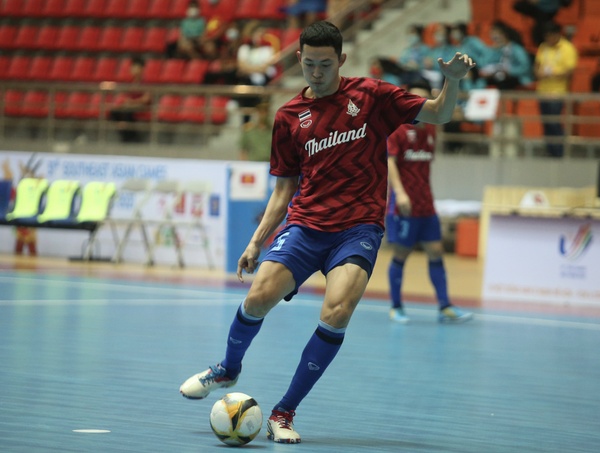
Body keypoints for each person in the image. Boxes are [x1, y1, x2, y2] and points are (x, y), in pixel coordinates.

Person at [179, 20, 474, 444]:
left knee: (336, 312)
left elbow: (439, 113)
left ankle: (283, 412)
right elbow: (283, 191)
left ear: (341, 60)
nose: (316, 72)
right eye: (309, 63)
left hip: (358, 228)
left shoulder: (372, 96)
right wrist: (256, 241)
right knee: (259, 296)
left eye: (325, 64)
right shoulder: (287, 118)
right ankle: (228, 367)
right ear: (299, 58)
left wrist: (452, 82)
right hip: (305, 224)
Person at [385, 79, 474, 324]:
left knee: (436, 251)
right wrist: (400, 194)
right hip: (404, 204)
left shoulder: (431, 130)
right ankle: (396, 306)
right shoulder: (399, 130)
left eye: (424, 98)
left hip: (426, 204)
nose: (418, 103)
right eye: (414, 98)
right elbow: (390, 162)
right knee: (401, 253)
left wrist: (452, 81)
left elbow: (449, 109)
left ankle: (444, 305)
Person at [534, 21, 577, 158]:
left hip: (557, 92)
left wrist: (552, 74)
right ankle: (550, 151)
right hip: (542, 91)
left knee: (554, 123)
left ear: (557, 34)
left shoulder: (567, 48)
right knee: (546, 124)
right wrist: (538, 73)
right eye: (546, 37)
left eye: (550, 36)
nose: (548, 40)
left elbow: (569, 72)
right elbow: (537, 65)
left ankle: (560, 153)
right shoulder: (543, 47)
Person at [480, 20, 533, 90]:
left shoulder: (517, 49)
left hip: (516, 79)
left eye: (496, 33)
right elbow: (484, 63)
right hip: (498, 77)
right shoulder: (495, 50)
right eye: (492, 33)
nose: (493, 36)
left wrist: (509, 71)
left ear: (504, 34)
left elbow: (525, 67)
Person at [108, 57, 151, 143]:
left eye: (135, 67)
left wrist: (132, 102)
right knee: (114, 112)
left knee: (127, 112)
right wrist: (125, 102)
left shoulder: (146, 83)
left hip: (140, 107)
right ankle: (126, 133)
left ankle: (129, 138)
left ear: (141, 69)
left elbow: (146, 99)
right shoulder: (130, 83)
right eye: (132, 67)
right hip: (130, 107)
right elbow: (125, 96)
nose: (133, 69)